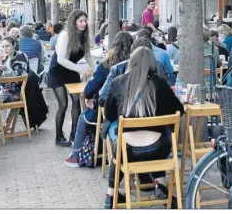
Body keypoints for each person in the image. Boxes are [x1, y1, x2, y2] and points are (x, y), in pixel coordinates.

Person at [103, 46, 184, 209]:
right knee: (166, 130)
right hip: (158, 149)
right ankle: (160, 185)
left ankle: (110, 195)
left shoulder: (117, 83)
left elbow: (109, 115)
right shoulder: (160, 85)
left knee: (115, 140)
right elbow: (179, 110)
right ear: (152, 64)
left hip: (127, 150)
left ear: (131, 61)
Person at [64, 31, 133, 167]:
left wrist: (89, 97)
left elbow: (90, 88)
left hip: (109, 111)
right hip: (130, 110)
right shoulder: (135, 65)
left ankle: (76, 154)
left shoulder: (107, 65)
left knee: (83, 117)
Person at [47, 10, 96, 146]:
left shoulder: (84, 36)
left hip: (71, 71)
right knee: (63, 104)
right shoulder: (65, 35)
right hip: (58, 71)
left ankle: (74, 133)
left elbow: (88, 56)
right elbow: (62, 59)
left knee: (76, 99)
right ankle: (59, 136)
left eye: (85, 21)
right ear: (73, 22)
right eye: (81, 21)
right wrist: (81, 69)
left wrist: (98, 72)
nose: (84, 24)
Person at [0, 36, 29, 103]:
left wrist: (6, 69)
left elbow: (21, 75)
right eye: (3, 46)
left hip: (15, 91)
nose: (5, 49)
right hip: (5, 88)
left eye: (7, 46)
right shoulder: (5, 57)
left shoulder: (21, 56)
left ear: (14, 45)